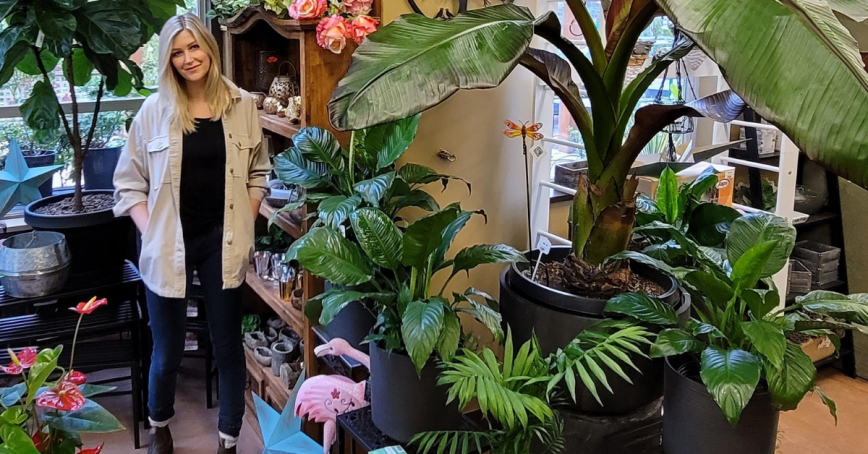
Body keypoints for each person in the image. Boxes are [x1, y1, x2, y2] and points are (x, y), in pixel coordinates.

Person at [113, 12, 271, 454]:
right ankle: (159, 426)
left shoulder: (242, 105)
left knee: (228, 346)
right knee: (167, 351)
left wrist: (248, 219)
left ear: (210, 48)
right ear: (168, 60)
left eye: (194, 47)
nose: (188, 59)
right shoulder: (154, 111)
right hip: (169, 244)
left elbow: (258, 171)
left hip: (223, 241)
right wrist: (151, 231)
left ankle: (228, 439)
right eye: (177, 52)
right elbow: (128, 184)